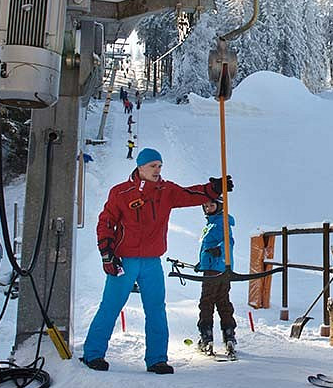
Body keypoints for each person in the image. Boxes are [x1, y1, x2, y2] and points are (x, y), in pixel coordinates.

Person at [82, 148, 233, 374]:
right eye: (153, 165)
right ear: (140, 167)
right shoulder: (121, 192)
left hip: (152, 262)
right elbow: (106, 222)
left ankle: (157, 359)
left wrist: (213, 189)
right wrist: (107, 253)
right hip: (126, 261)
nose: (157, 170)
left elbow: (190, 195)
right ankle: (93, 354)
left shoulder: (166, 191)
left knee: (156, 309)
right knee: (110, 306)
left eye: (160, 166)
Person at [195, 198, 237, 356]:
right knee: (222, 301)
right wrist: (202, 264)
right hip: (214, 267)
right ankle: (228, 334)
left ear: (219, 206)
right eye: (205, 206)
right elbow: (207, 246)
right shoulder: (212, 222)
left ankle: (206, 336)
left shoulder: (221, 222)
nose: (208, 208)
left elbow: (228, 241)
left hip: (216, 269)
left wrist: (219, 250)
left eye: (211, 205)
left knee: (207, 301)